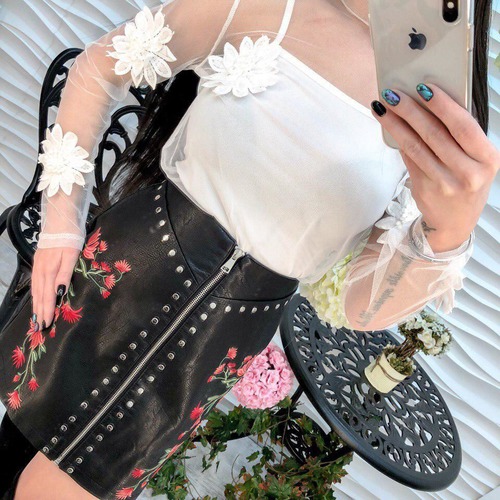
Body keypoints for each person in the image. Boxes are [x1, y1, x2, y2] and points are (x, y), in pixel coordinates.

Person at [1, 0, 497, 498]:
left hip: (212, 351)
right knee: (15, 442)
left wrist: (443, 236)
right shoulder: (272, 5)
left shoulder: (441, 114)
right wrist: (61, 221)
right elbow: (98, 69)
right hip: (124, 274)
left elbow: (358, 307)